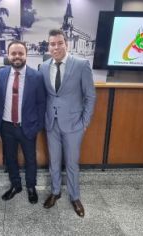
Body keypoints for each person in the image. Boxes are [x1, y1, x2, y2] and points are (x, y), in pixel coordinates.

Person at [39, 29, 96, 217]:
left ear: (66, 44)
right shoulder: (44, 66)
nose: (56, 47)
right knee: (54, 162)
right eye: (52, 44)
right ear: (49, 46)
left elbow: (90, 96)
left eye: (59, 43)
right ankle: (55, 192)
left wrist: (84, 122)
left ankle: (75, 196)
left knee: (72, 163)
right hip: (51, 124)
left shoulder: (81, 64)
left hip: (74, 124)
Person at [0, 41, 46, 204]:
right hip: (7, 126)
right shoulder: (2, 74)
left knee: (30, 159)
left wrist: (37, 126)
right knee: (10, 158)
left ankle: (31, 187)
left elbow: (41, 103)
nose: (17, 56)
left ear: (26, 55)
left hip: (28, 126)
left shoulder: (36, 76)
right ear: (8, 55)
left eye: (20, 53)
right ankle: (15, 185)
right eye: (13, 53)